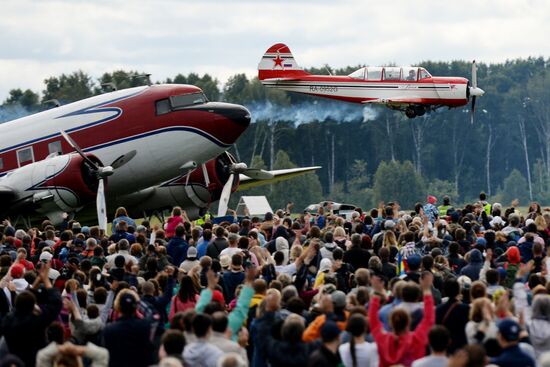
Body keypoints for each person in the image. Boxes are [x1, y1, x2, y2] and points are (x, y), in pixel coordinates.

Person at [368, 271, 435, 367]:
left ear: (390, 323)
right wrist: (427, 290)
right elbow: (429, 319)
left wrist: (376, 294)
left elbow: (373, 321)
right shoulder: (416, 339)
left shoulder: (383, 339)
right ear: (408, 321)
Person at [1, 264, 62, 367]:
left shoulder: (8, 320)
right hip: (35, 362)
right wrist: (45, 280)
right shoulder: (36, 321)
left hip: (14, 361)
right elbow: (56, 303)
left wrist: (37, 281)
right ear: (33, 306)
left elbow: (21, 305)